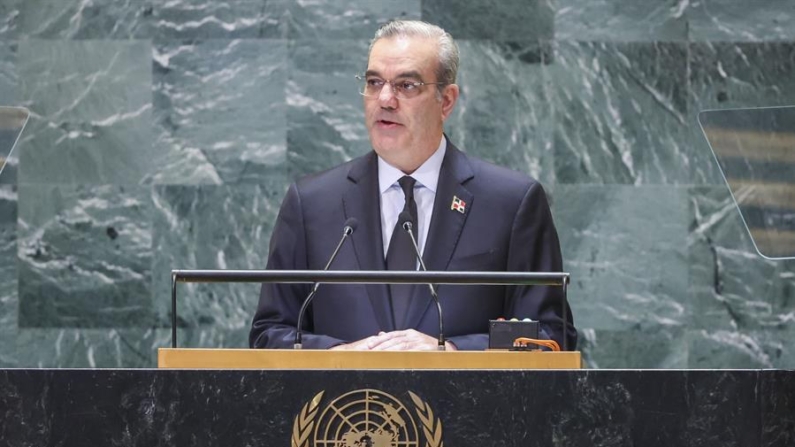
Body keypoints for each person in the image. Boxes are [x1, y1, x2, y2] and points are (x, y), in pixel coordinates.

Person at [249, 20, 576, 351]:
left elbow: (550, 337)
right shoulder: (312, 204)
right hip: (344, 402)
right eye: (374, 82)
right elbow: (269, 333)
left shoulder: (511, 203)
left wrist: (450, 351)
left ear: (446, 100)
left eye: (406, 85)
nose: (385, 99)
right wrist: (340, 356)